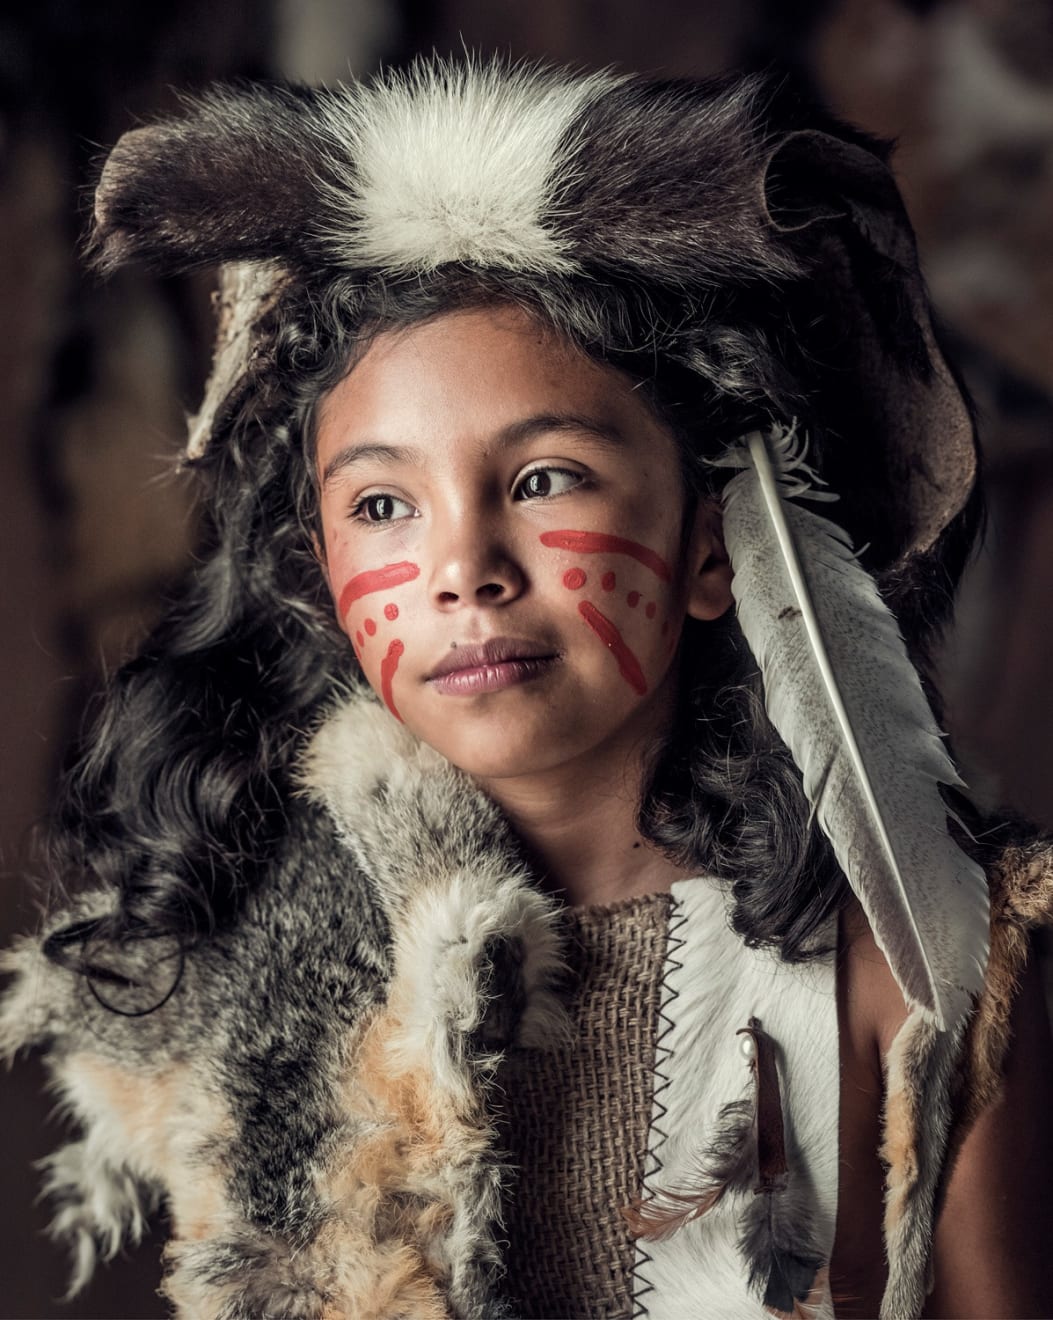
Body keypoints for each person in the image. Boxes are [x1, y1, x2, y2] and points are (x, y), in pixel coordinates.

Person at [3, 58, 1052, 1320]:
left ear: (712, 544)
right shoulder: (263, 987)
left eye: (546, 478)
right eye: (382, 505)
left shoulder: (912, 959)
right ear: (320, 571)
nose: (464, 570)